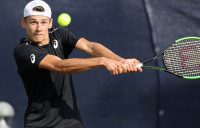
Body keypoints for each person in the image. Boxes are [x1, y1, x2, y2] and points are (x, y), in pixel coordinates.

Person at [13, 0, 142, 128]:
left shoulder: (60, 34)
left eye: (43, 22)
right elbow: (60, 66)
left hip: (71, 122)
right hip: (40, 124)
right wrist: (102, 61)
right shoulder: (23, 50)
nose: (39, 28)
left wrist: (121, 60)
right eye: (33, 22)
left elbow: (90, 46)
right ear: (23, 23)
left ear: (50, 23)